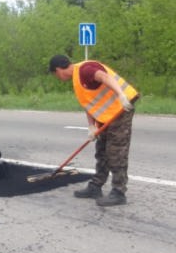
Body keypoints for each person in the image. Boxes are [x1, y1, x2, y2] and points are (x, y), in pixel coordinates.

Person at [48, 54, 139, 206]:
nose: (57, 78)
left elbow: (105, 77)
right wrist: (91, 127)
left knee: (116, 152)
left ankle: (118, 192)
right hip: (106, 116)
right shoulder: (77, 80)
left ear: (58, 70)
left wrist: (121, 95)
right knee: (101, 151)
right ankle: (96, 186)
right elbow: (89, 105)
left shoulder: (85, 70)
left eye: (55, 74)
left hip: (121, 110)